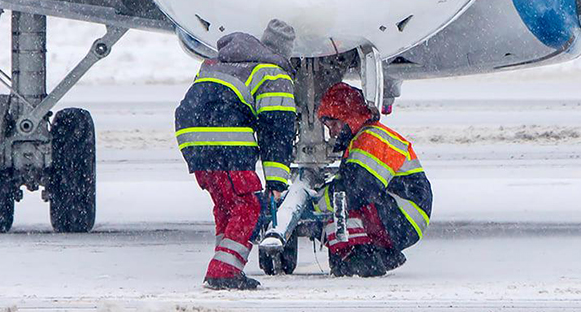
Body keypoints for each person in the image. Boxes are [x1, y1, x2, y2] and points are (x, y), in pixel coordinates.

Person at [174, 20, 297, 290]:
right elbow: (277, 129)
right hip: (226, 140)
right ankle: (225, 270)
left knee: (226, 204)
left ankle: (224, 261)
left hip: (191, 140)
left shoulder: (217, 63)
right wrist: (277, 182)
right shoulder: (272, 74)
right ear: (285, 52)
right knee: (248, 205)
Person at [316, 82, 432, 277]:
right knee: (338, 204)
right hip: (403, 211)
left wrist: (316, 201)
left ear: (349, 118)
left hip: (405, 214)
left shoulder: (370, 140)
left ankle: (360, 258)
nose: (333, 133)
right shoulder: (363, 138)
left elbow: (355, 190)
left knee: (341, 205)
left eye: (335, 124)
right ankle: (367, 254)